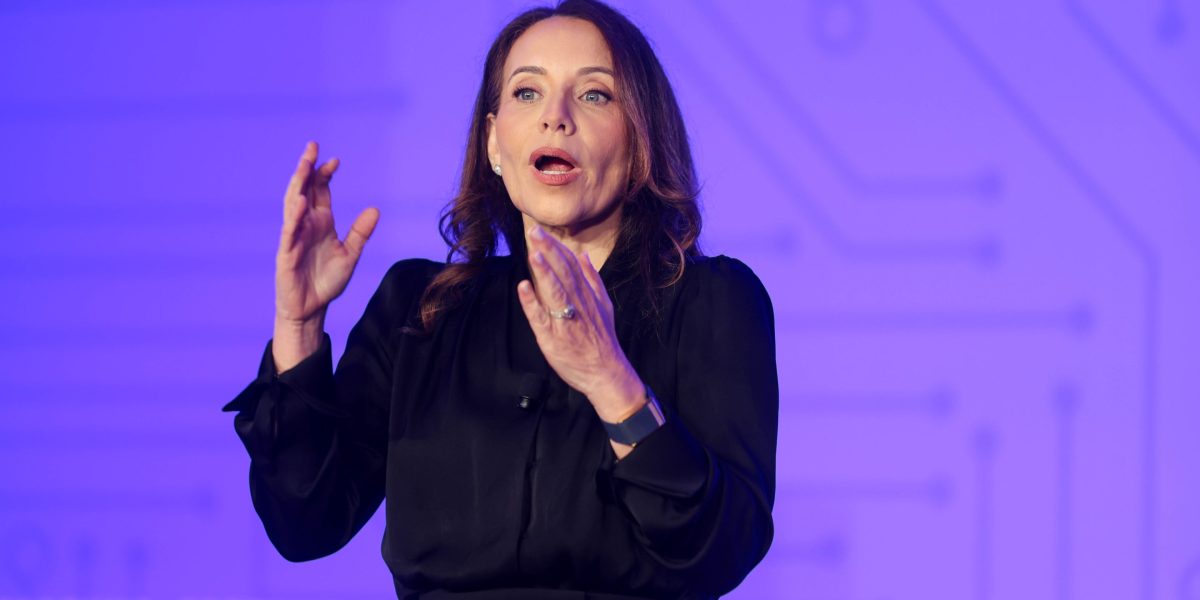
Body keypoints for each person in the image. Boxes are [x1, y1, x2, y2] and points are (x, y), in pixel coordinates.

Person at [221, 1, 778, 598]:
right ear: (493, 142)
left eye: (594, 95)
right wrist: (299, 324)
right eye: (527, 93)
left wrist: (611, 382)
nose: (555, 118)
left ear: (640, 139)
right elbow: (306, 522)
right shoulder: (420, 309)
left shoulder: (713, 302)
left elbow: (724, 548)